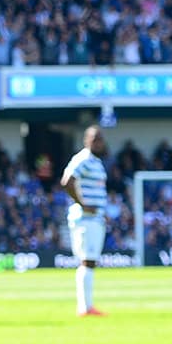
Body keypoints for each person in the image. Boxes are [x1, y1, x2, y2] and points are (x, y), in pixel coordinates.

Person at [60, 125, 108, 317]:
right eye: (95, 138)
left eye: (100, 139)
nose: (98, 142)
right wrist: (83, 204)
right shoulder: (83, 159)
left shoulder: (96, 162)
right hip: (85, 218)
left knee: (90, 262)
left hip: (94, 218)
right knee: (87, 261)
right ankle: (85, 308)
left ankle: (87, 307)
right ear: (87, 140)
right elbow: (67, 181)